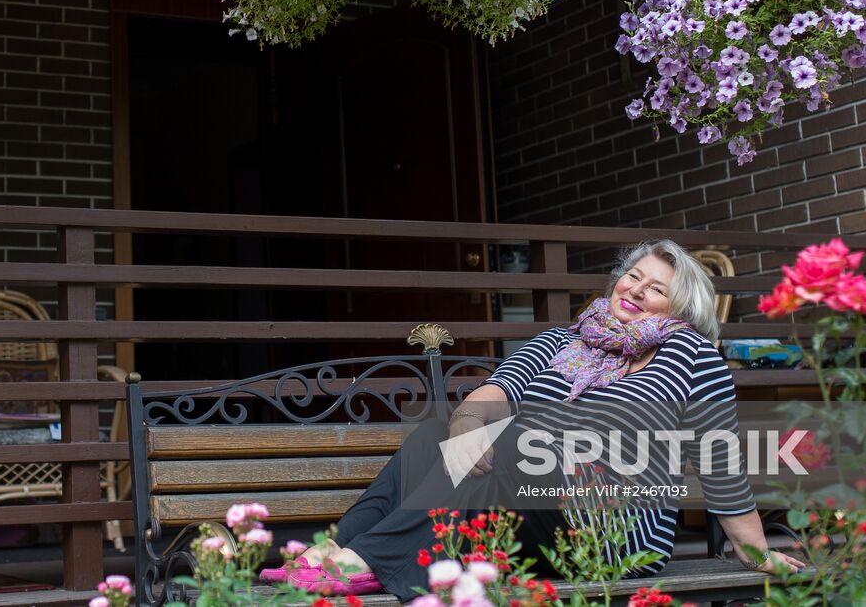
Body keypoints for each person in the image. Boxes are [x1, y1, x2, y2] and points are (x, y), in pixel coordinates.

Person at [269, 239, 806, 598]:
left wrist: (755, 551)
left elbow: (719, 457)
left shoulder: (691, 354)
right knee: (441, 431)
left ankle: (355, 561)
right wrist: (466, 425)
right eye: (632, 277)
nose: (635, 291)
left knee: (524, 440)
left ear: (680, 308)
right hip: (529, 514)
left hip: (614, 528)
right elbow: (499, 389)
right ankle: (338, 553)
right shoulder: (560, 340)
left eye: (656, 288)